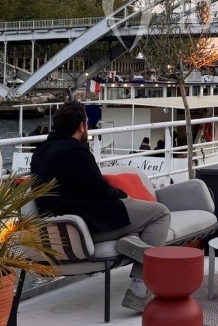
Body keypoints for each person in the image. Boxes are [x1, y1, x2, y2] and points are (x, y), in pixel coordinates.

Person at [29, 100, 171, 312]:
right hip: (88, 227)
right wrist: (122, 194)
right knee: (160, 213)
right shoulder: (75, 152)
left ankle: (132, 245)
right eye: (87, 123)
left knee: (138, 214)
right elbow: (99, 189)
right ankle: (139, 288)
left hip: (59, 229)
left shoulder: (39, 153)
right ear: (81, 126)